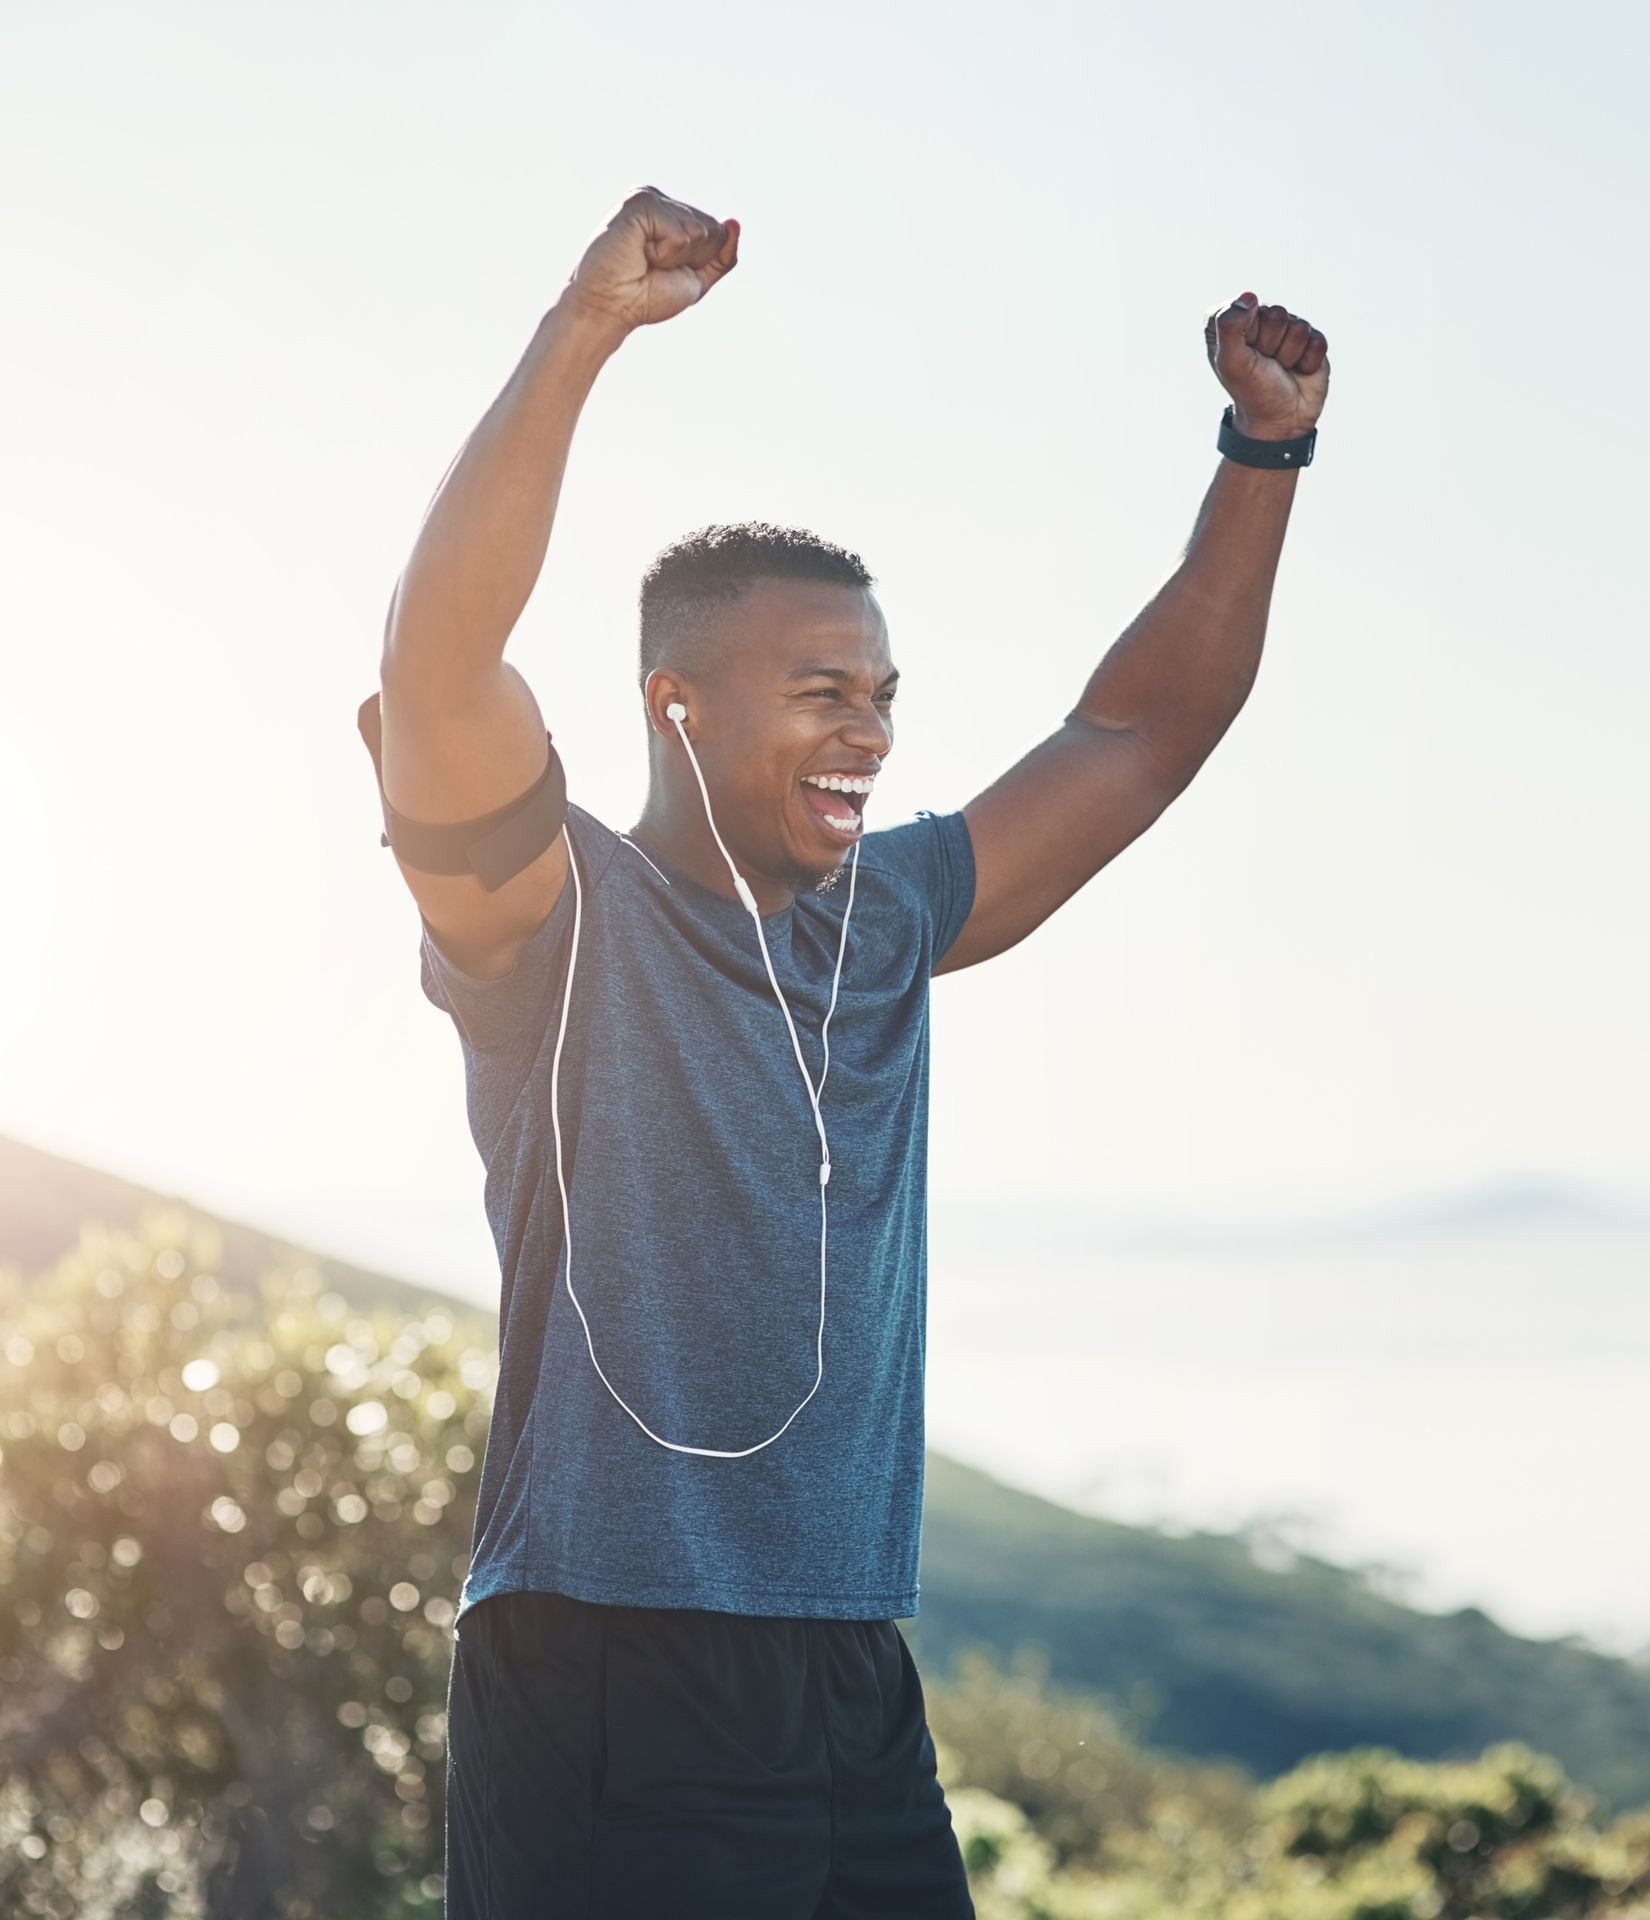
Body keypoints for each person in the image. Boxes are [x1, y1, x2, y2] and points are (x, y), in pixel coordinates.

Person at [362, 183, 1328, 1919]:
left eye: (883, 691)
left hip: (848, 1678)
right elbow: (444, 662)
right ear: (680, 701)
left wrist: (1262, 459)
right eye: (823, 689)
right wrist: (584, 333)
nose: (871, 728)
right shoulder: (550, 919)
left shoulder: (891, 916)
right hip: (604, 1665)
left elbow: (1137, 735)